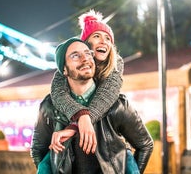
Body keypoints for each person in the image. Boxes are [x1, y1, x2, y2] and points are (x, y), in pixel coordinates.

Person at [30, 37, 153, 173]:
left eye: (88, 53)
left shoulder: (117, 105)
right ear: (64, 70)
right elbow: (38, 151)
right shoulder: (49, 107)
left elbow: (145, 145)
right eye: (75, 55)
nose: (85, 59)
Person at [50, 10, 123, 153]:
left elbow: (107, 93)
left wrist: (82, 120)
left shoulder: (116, 64)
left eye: (108, 38)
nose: (103, 41)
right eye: (97, 36)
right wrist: (79, 114)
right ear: (86, 43)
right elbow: (58, 91)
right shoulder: (70, 62)